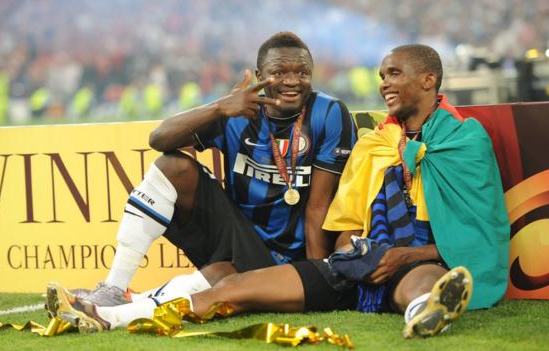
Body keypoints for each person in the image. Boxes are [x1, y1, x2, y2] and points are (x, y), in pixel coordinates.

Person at [47, 44, 509, 338]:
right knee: (181, 185)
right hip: (287, 249)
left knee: (417, 284)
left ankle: (426, 311)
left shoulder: (451, 139)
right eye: (382, 75)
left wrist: (371, 261)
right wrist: (220, 108)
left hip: (370, 260)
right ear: (260, 72)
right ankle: (110, 301)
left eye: (394, 74)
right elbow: (348, 221)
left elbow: (324, 209)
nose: (384, 83)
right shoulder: (379, 143)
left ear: (428, 80)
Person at [81, 32, 357, 307]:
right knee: (174, 164)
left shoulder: (329, 113)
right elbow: (158, 139)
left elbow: (318, 207)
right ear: (260, 75)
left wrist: (313, 279)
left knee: (218, 278)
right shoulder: (238, 111)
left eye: (302, 72)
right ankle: (114, 289)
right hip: (239, 238)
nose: (292, 81)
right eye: (279, 72)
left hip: (291, 257)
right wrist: (220, 108)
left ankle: (129, 304)